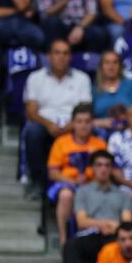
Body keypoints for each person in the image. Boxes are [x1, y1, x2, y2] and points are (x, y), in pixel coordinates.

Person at [52, 151, 132, 263]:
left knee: (123, 244)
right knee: (71, 246)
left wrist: (113, 227)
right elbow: (82, 222)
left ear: (112, 169)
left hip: (114, 237)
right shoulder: (83, 191)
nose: (103, 169)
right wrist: (105, 224)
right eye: (99, 165)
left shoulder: (123, 195)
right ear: (92, 168)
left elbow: (127, 222)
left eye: (107, 165)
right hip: (90, 234)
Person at [22, 39, 92, 196]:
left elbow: (85, 109)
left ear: (70, 57)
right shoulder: (35, 78)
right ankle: (37, 182)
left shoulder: (82, 79)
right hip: (44, 123)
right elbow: (31, 111)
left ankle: (85, 182)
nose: (61, 57)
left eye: (66, 53)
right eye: (57, 53)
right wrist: (49, 125)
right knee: (33, 132)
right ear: (49, 56)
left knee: (90, 130)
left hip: (73, 124)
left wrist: (70, 125)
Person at [46, 103, 108, 247]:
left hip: (94, 185)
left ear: (92, 124)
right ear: (73, 123)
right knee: (66, 195)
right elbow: (53, 172)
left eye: (87, 122)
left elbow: (106, 169)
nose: (83, 126)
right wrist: (72, 181)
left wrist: (90, 177)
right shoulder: (61, 142)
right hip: (67, 183)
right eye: (79, 121)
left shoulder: (100, 144)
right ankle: (64, 239)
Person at [92, 50, 132, 131]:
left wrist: (125, 121)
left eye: (115, 62)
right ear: (101, 66)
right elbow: (85, 117)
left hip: (128, 130)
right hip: (99, 133)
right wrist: (100, 123)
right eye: (107, 62)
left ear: (120, 66)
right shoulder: (94, 89)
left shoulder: (130, 85)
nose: (111, 66)